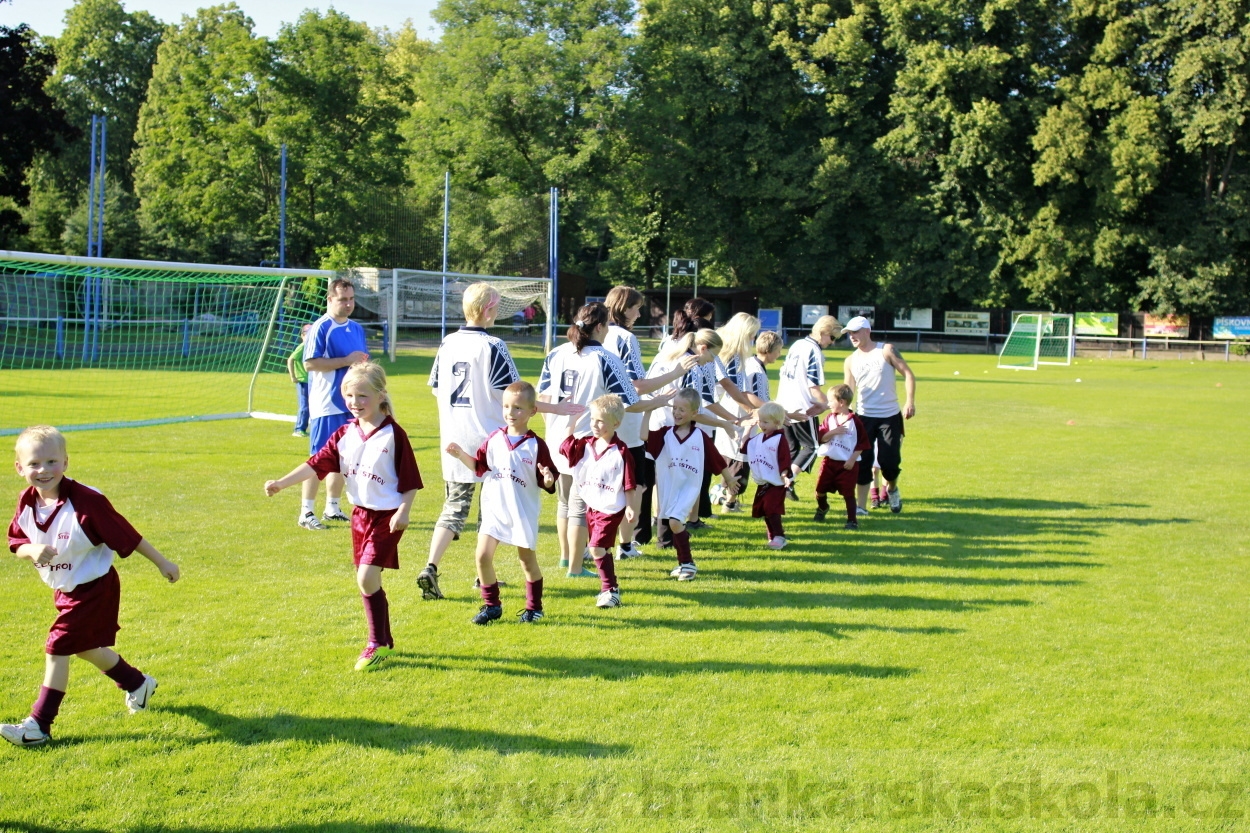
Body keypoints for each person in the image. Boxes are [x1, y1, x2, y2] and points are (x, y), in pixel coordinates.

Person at [2, 426, 180, 748]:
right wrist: (32, 550)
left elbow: (129, 535)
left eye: (52, 461)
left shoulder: (87, 502)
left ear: (66, 462)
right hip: (66, 589)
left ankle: (38, 726)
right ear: (19, 468)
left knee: (57, 647)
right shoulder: (27, 501)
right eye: (34, 464)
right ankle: (137, 683)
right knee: (83, 647)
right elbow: (16, 542)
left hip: (94, 587)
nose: (43, 470)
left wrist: (163, 563)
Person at [419, 283, 580, 602]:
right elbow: (516, 396)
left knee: (453, 508)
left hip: (454, 440)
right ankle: (482, 578)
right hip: (493, 443)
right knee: (488, 511)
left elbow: (437, 389)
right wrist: (556, 407)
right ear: (486, 309)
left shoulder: (448, 342)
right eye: (496, 305)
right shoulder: (493, 345)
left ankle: (431, 567)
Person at [265, 362, 422, 671]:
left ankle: (376, 643)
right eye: (349, 395)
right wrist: (281, 483)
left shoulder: (393, 434)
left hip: (387, 515)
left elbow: (411, 479)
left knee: (366, 577)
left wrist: (404, 510)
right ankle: (385, 642)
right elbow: (316, 465)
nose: (355, 402)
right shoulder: (344, 433)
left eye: (362, 396)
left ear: (380, 395)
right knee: (368, 580)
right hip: (360, 514)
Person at [539, 302, 669, 577]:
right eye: (608, 325)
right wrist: (658, 401)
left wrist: (554, 428)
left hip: (559, 436)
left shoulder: (557, 353)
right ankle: (574, 568)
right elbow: (631, 402)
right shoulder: (606, 358)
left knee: (565, 503)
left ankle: (566, 559)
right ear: (600, 327)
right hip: (588, 441)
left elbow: (545, 398)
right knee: (580, 506)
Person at [444, 381, 557, 625]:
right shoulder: (495, 438)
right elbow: (479, 467)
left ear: (532, 411)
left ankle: (534, 608)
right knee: (482, 556)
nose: (510, 413)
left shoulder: (536, 445)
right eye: (506, 407)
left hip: (522, 513)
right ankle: (491, 605)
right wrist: (460, 454)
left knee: (527, 562)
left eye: (517, 408)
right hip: (494, 510)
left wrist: (548, 479)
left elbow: (547, 480)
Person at [601, 285, 698, 559]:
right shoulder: (624, 338)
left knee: (598, 487)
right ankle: (625, 546)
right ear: (623, 308)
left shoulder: (595, 335)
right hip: (626, 421)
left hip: (597, 420)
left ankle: (588, 548)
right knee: (633, 487)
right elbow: (637, 385)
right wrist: (675, 374)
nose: (640, 312)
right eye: (636, 307)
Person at [643, 329, 739, 545]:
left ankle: (659, 529)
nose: (711, 362)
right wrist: (723, 422)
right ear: (703, 348)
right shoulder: (691, 366)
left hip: (653, 422)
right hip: (670, 429)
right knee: (675, 481)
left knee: (659, 481)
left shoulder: (668, 353)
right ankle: (669, 533)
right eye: (713, 356)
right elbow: (695, 409)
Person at [646, 388, 737, 581]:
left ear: (695, 413)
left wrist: (729, 479)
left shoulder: (700, 437)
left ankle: (688, 565)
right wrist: (648, 410)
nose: (677, 413)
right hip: (669, 489)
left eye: (682, 410)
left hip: (689, 489)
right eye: (675, 408)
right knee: (675, 524)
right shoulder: (665, 434)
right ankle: (683, 563)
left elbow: (716, 460)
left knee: (675, 522)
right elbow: (643, 437)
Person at [300, 279, 369, 530]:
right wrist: (345, 360)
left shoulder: (356, 328)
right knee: (318, 458)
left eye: (351, 299)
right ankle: (306, 511)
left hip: (351, 404)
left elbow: (357, 361)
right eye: (342, 299)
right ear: (330, 299)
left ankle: (332, 507)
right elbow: (310, 363)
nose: (348, 303)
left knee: (343, 457)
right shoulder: (321, 327)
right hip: (327, 403)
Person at [560, 394, 635, 608]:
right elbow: (565, 447)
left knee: (595, 548)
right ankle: (609, 588)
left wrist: (630, 506)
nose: (594, 424)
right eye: (593, 419)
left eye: (600, 420)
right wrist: (572, 423)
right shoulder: (586, 445)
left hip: (611, 508)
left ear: (616, 423)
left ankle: (610, 590)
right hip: (592, 505)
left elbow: (629, 483)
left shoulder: (621, 452)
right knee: (600, 549)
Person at [841, 316, 917, 514]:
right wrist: (842, 413)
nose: (852, 336)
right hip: (864, 417)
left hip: (889, 416)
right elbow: (848, 391)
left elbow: (908, 374)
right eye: (849, 333)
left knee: (889, 463)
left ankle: (892, 489)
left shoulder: (886, 350)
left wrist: (909, 401)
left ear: (867, 330)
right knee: (863, 463)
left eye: (855, 332)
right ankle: (861, 507)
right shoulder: (850, 361)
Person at [775, 315, 841, 500]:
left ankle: (786, 486)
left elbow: (783, 372)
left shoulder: (798, 345)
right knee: (812, 447)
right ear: (823, 333)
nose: (832, 342)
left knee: (792, 448)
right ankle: (786, 482)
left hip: (783, 404)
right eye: (832, 337)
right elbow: (813, 385)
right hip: (803, 407)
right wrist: (828, 405)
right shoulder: (814, 350)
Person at [714, 313, 766, 513]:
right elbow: (735, 389)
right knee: (738, 458)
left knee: (729, 458)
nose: (753, 340)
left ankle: (725, 497)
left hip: (719, 410)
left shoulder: (725, 352)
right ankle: (728, 501)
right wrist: (752, 412)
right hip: (725, 411)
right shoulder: (734, 357)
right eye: (751, 335)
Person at [813, 384, 871, 529]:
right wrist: (832, 432)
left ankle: (852, 521)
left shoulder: (854, 421)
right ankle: (822, 508)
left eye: (831, 401)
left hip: (847, 465)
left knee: (848, 493)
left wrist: (852, 459)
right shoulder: (829, 419)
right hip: (829, 462)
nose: (828, 404)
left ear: (841, 402)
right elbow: (821, 438)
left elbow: (863, 444)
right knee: (820, 490)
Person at [741, 402, 794, 549]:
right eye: (760, 421)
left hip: (776, 483)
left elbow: (785, 459)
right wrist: (747, 430)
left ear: (777, 423)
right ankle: (772, 535)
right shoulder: (758, 439)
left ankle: (779, 536)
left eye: (765, 422)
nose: (761, 424)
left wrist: (784, 475)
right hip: (763, 483)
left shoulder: (779, 440)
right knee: (764, 509)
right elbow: (744, 448)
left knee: (772, 508)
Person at [287, 323, 312, 438]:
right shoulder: (303, 346)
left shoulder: (312, 346)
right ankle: (299, 429)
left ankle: (304, 427)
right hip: (303, 381)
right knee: (304, 406)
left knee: (311, 405)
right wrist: (293, 376)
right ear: (302, 335)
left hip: (311, 381)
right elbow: (291, 359)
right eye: (308, 334)